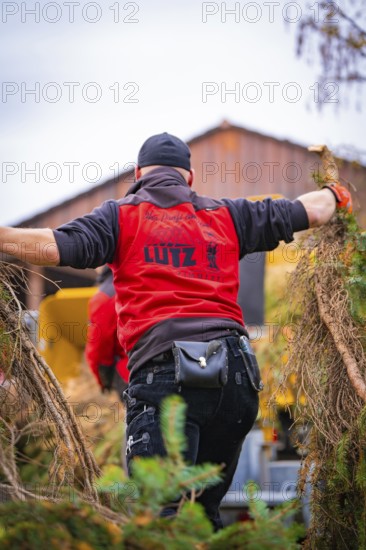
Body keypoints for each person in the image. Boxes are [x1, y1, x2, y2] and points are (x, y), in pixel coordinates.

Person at [0, 132, 352, 529]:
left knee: (159, 515)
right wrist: (337, 193)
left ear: (137, 173)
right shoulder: (229, 214)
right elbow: (314, 211)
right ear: (190, 177)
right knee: (203, 517)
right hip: (236, 378)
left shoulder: (121, 216)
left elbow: (50, 247)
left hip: (165, 377)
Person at [85, 265, 129, 399]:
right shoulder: (142, 282)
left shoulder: (104, 297)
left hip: (130, 373)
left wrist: (104, 379)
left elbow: (100, 343)